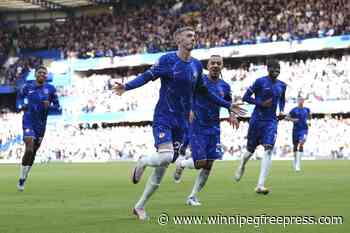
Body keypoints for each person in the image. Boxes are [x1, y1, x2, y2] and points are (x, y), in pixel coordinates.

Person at [113, 27, 238, 220]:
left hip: (183, 123)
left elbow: (205, 91)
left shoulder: (196, 65)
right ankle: (144, 160)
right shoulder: (167, 60)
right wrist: (127, 86)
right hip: (164, 117)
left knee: (162, 169)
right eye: (189, 36)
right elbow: (147, 76)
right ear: (178, 38)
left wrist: (227, 105)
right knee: (165, 157)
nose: (192, 39)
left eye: (194, 36)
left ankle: (139, 206)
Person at [173, 55, 245, 206]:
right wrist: (189, 109)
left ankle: (192, 196)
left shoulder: (225, 86)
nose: (215, 65)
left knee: (209, 165)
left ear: (222, 66)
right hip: (197, 125)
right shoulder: (199, 80)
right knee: (200, 163)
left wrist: (232, 115)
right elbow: (187, 95)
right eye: (213, 63)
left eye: (219, 63)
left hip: (214, 127)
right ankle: (182, 164)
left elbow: (228, 102)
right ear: (207, 66)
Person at [234, 60, 287, 195]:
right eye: (274, 68)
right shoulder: (259, 82)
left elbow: (282, 100)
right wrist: (261, 103)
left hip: (271, 121)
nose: (276, 71)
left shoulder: (282, 85)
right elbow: (246, 97)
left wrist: (281, 110)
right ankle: (242, 164)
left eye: (278, 69)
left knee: (269, 149)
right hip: (256, 120)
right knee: (250, 151)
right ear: (268, 69)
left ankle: (260, 185)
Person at [17, 66, 61, 191]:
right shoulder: (27, 86)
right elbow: (19, 98)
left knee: (33, 153)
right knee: (29, 148)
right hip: (28, 121)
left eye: (44, 73)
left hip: (41, 125)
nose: (42, 74)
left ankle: (23, 177)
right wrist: (23, 106)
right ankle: (21, 177)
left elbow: (57, 107)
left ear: (46, 76)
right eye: (40, 72)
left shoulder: (51, 89)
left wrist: (49, 107)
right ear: (35, 74)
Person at [286, 96, 311, 172]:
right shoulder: (294, 110)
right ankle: (295, 161)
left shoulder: (307, 109)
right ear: (297, 101)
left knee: (301, 143)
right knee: (295, 146)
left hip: (304, 130)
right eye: (299, 100)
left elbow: (309, 117)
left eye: (302, 100)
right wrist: (293, 119)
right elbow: (286, 117)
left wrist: (309, 122)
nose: (301, 101)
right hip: (296, 130)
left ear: (303, 101)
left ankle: (298, 165)